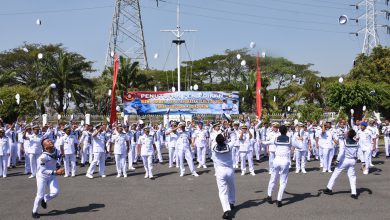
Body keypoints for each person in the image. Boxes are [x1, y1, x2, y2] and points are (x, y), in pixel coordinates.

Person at [32, 138, 65, 219]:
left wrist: (58, 164)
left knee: (55, 192)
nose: (50, 141)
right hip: (42, 177)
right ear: (45, 146)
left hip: (52, 176)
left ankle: (45, 199)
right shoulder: (43, 157)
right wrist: (56, 172)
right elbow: (43, 171)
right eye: (48, 141)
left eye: (50, 140)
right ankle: (34, 211)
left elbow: (57, 158)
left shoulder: (56, 151)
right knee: (39, 195)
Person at [323, 129, 359, 199]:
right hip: (352, 160)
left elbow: (341, 153)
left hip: (345, 160)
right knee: (352, 177)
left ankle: (329, 188)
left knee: (335, 174)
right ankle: (354, 192)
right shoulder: (356, 143)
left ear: (348, 134)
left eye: (347, 132)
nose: (345, 133)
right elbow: (357, 152)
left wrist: (337, 161)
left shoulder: (344, 142)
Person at [266, 125, 297, 207]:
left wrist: (259, 141)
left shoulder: (276, 138)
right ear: (286, 131)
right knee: (283, 181)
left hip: (276, 160)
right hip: (285, 161)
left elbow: (266, 142)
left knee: (273, 178)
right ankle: (279, 200)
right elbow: (299, 146)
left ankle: (269, 195)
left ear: (279, 131)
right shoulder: (290, 139)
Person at [212, 133, 235, 219]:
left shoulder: (213, 146)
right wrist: (231, 130)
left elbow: (216, 141)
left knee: (222, 192)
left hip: (220, 170)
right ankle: (232, 202)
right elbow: (234, 139)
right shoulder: (229, 145)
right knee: (232, 187)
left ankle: (226, 210)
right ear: (224, 140)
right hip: (229, 169)